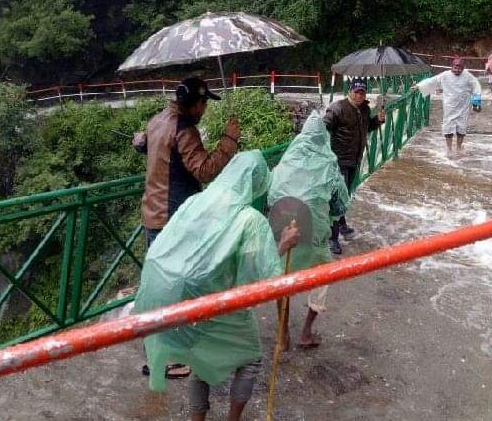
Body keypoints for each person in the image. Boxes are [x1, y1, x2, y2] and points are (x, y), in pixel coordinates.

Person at [134, 151, 300, 421]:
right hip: (214, 299)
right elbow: (263, 275)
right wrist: (283, 244)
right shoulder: (249, 219)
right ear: (256, 183)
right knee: (251, 359)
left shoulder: (196, 201)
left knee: (201, 358)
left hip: (173, 292)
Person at [133, 76, 240, 379]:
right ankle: (169, 360)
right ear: (195, 103)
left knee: (160, 286)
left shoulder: (157, 120)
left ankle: (158, 351)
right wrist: (229, 140)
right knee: (173, 289)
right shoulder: (184, 129)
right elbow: (204, 170)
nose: (204, 110)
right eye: (204, 104)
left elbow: (144, 143)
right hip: (173, 220)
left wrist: (139, 141)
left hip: (152, 215)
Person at [268, 113, 350, 349]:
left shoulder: (285, 163)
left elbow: (271, 197)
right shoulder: (329, 165)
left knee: (282, 277)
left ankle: (282, 334)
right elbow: (341, 205)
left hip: (284, 230)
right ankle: (305, 333)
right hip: (314, 234)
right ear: (324, 138)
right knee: (321, 276)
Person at [322, 77, 385, 255]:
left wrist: (378, 120)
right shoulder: (338, 108)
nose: (359, 95)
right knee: (337, 198)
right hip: (339, 160)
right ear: (349, 91)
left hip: (354, 159)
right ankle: (332, 238)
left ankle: (341, 224)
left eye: (362, 92)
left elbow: (366, 127)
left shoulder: (364, 109)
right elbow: (324, 126)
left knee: (345, 194)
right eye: (356, 92)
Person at [417, 57, 481, 156]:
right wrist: (418, 86)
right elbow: (432, 81)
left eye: (459, 68)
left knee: (461, 128)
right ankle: (449, 149)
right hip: (449, 106)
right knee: (448, 128)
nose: (457, 70)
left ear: (463, 68)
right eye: (455, 68)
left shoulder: (467, 76)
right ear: (452, 67)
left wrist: (476, 103)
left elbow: (476, 87)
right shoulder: (445, 75)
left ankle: (459, 148)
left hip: (463, 106)